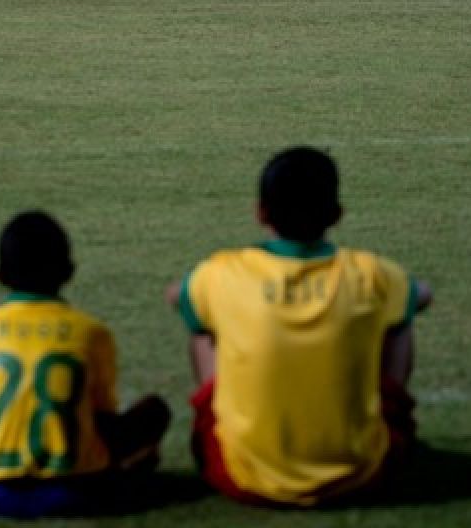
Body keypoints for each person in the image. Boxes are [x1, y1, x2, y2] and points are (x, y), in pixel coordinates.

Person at [166, 146, 432, 507]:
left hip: (244, 477)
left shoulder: (221, 275)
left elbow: (177, 296)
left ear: (261, 213)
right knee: (399, 320)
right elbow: (422, 295)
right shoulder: (373, 275)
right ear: (337, 214)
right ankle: (390, 409)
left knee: (203, 323)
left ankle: (217, 411)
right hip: (361, 476)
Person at [0, 211, 171, 518]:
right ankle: (130, 472)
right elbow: (104, 418)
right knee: (153, 410)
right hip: (79, 491)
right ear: (69, 271)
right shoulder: (92, 333)